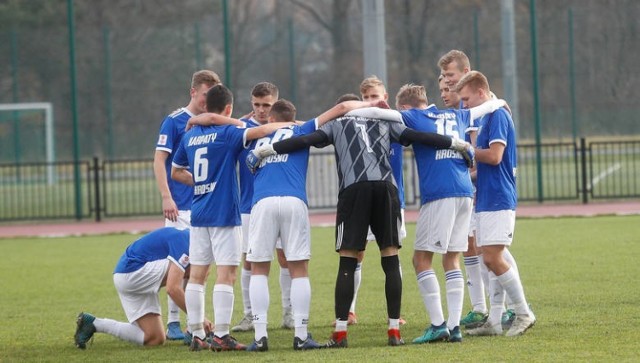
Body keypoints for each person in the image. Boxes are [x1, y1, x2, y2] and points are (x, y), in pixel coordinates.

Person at [246, 103, 475, 348]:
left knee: (348, 259)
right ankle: (394, 330)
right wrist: (456, 144)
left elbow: (304, 141)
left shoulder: (337, 124)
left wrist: (266, 151)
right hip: (386, 188)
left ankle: (341, 333)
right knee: (391, 257)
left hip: (354, 190)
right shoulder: (386, 123)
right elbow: (419, 137)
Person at [346, 84, 506, 344]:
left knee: (421, 259)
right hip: (465, 191)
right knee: (452, 258)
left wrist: (363, 107)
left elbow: (371, 116)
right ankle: (454, 328)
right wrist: (500, 102)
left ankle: (437, 325)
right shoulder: (457, 114)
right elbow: (487, 106)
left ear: (405, 107)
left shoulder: (413, 117)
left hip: (439, 194)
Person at [245, 98, 382, 352]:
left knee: (259, 269)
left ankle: (260, 336)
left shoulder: (255, 134)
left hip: (262, 202)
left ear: (270, 117)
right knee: (299, 269)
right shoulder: (301, 128)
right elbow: (340, 108)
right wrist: (372, 101)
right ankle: (300, 335)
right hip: (294, 201)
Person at [170, 84, 293, 352]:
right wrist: (290, 124)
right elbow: (262, 130)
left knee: (197, 276)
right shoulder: (228, 132)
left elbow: (176, 172)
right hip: (224, 212)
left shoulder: (190, 135)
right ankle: (222, 335)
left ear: (205, 107)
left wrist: (201, 183)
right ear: (228, 109)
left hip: (199, 211)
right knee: (227, 273)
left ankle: (197, 334)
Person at [439, 49, 520, 330]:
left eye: (449, 76)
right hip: (479, 189)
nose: (445, 84)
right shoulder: (465, 109)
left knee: (492, 252)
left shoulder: (489, 109)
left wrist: (465, 157)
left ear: (465, 74)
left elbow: (486, 153)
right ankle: (490, 312)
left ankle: (514, 309)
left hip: (491, 190)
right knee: (480, 248)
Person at [455, 71, 535, 337]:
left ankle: (524, 313)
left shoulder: (498, 114)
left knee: (492, 257)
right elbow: (484, 164)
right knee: (488, 258)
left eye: (466, 99)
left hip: (499, 197)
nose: (464, 105)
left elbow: (495, 156)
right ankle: (495, 320)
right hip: (487, 196)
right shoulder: (488, 115)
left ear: (481, 92)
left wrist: (465, 149)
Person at [153, 70, 221, 340]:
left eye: (212, 95)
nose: (208, 100)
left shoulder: (211, 121)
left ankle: (193, 323)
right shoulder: (174, 121)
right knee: (178, 266)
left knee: (200, 268)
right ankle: (172, 323)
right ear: (193, 92)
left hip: (204, 205)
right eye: (205, 94)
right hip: (179, 207)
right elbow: (160, 161)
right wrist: (166, 196)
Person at [74, 227, 205, 348]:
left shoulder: (190, 239)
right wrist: (198, 319)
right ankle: (195, 327)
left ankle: (95, 324)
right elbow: (173, 288)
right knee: (190, 268)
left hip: (128, 277)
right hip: (132, 272)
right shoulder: (185, 240)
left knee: (155, 338)